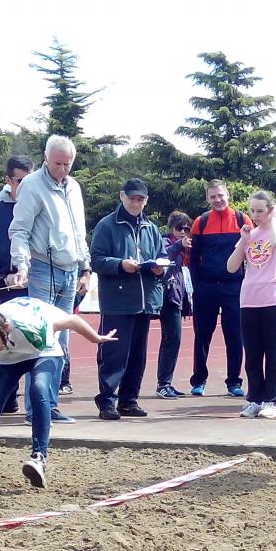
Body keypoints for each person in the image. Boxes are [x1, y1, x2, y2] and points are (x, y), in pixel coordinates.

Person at [0, 271, 116, 493]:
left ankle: (39, 458)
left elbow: (73, 320)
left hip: (43, 351)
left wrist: (97, 338)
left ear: (5, 329)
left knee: (39, 388)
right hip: (9, 361)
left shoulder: (31, 326)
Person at [9, 135, 89, 423]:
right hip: (43, 267)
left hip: (70, 269)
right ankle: (37, 409)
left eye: (67, 164)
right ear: (45, 158)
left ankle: (50, 405)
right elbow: (19, 230)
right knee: (41, 338)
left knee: (61, 341)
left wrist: (86, 268)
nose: (63, 169)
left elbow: (79, 231)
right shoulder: (32, 185)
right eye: (57, 164)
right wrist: (22, 264)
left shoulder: (74, 187)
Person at [90, 178, 167, 420]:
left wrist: (161, 268)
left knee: (137, 355)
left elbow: (162, 255)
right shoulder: (107, 225)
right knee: (114, 353)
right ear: (122, 196)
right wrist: (120, 264)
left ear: (146, 201)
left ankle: (129, 400)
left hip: (144, 302)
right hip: (118, 302)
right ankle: (107, 401)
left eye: (140, 199)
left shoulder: (151, 228)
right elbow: (96, 260)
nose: (135, 203)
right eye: (132, 198)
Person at [227, 191, 276, 418]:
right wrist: (244, 241)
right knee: (253, 354)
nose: (255, 215)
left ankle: (272, 400)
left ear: (271, 210)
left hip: (273, 298)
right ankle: (255, 398)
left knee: (273, 352)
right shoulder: (249, 235)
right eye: (252, 210)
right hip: (249, 300)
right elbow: (231, 267)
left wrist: (272, 219)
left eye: (260, 211)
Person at [187, 179, 249, 397]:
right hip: (206, 287)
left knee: (235, 335)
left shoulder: (242, 219)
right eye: (212, 196)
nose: (217, 200)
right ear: (207, 198)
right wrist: (197, 286)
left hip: (234, 286)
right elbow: (193, 259)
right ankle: (199, 380)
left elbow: (251, 253)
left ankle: (234, 382)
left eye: (220, 195)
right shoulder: (201, 222)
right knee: (202, 334)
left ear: (228, 195)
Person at [0, 156, 32, 303]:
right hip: (2, 280)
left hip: (34, 278)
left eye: (30, 181)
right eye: (21, 181)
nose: (26, 186)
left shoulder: (38, 205)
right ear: (9, 180)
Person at [155, 211, 194, 398]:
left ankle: (165, 383)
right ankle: (163, 384)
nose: (183, 232)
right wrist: (179, 245)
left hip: (176, 296)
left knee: (172, 339)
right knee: (172, 339)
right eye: (179, 228)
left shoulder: (185, 246)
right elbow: (163, 258)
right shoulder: (165, 242)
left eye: (187, 228)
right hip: (165, 296)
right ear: (171, 228)